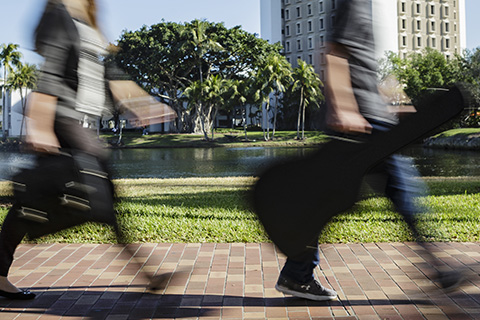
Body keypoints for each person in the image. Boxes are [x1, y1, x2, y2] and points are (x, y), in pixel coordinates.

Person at [275, 0, 460, 301]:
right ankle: (441, 268)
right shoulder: (355, 3)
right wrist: (344, 108)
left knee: (335, 201)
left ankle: (297, 274)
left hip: (370, 118)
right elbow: (333, 54)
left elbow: (356, 66)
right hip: (362, 123)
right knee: (403, 192)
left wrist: (387, 102)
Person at [0, 0, 116, 299]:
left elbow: (99, 74)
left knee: (31, 201)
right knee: (101, 186)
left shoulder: (84, 18)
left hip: (77, 117)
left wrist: (141, 100)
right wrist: (38, 123)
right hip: (61, 116)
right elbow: (50, 70)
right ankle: (146, 270)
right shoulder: (60, 14)